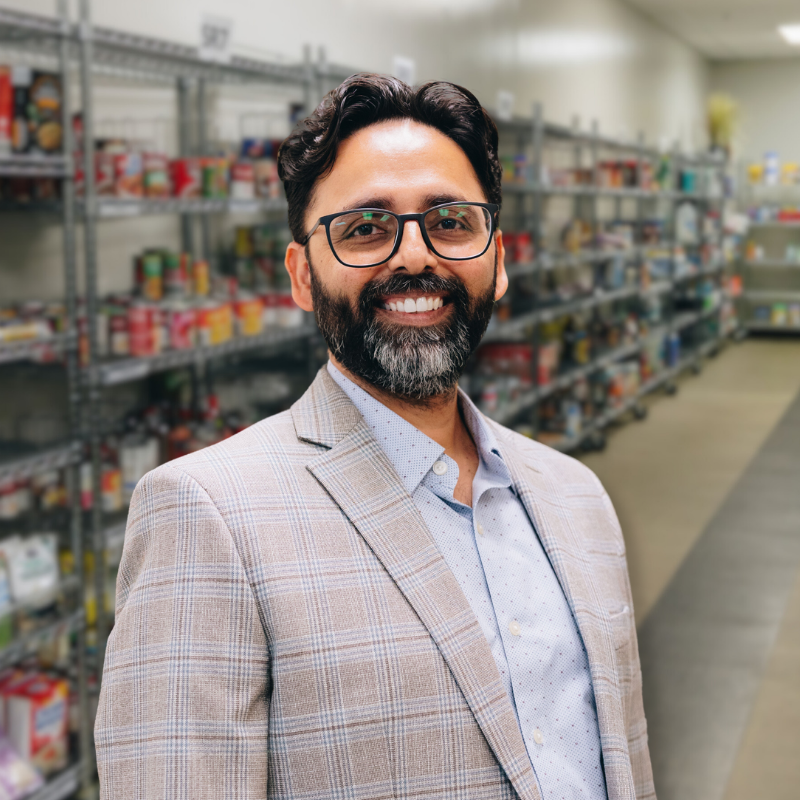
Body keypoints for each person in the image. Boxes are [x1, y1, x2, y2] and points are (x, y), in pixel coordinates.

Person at [95, 74, 655, 800]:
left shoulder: (576, 495)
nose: (415, 256)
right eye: (365, 228)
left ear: (498, 259)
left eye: (450, 221)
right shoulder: (206, 514)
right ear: (302, 275)